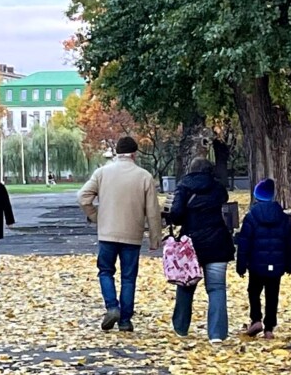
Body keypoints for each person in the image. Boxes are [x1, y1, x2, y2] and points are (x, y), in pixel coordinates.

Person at [78, 136, 163, 332]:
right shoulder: (144, 176)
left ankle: (112, 306)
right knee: (128, 277)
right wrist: (155, 237)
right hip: (132, 234)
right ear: (134, 153)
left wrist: (96, 216)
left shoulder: (102, 173)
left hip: (107, 232)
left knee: (105, 271)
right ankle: (125, 320)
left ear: (117, 152)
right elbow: (152, 210)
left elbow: (83, 197)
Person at [165, 158, 234, 341]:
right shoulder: (218, 187)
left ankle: (181, 327)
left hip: (191, 245)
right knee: (217, 288)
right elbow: (224, 201)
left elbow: (177, 215)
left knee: (186, 285)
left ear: (191, 168)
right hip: (217, 243)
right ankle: (217, 334)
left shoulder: (184, 186)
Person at [235, 177, 291, 339]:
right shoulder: (281, 217)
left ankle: (256, 319)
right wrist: (290, 264)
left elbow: (244, 243)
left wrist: (241, 265)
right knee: (272, 294)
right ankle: (269, 328)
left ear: (257, 196)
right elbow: (289, 242)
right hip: (276, 265)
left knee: (253, 291)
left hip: (256, 264)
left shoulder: (251, 217)